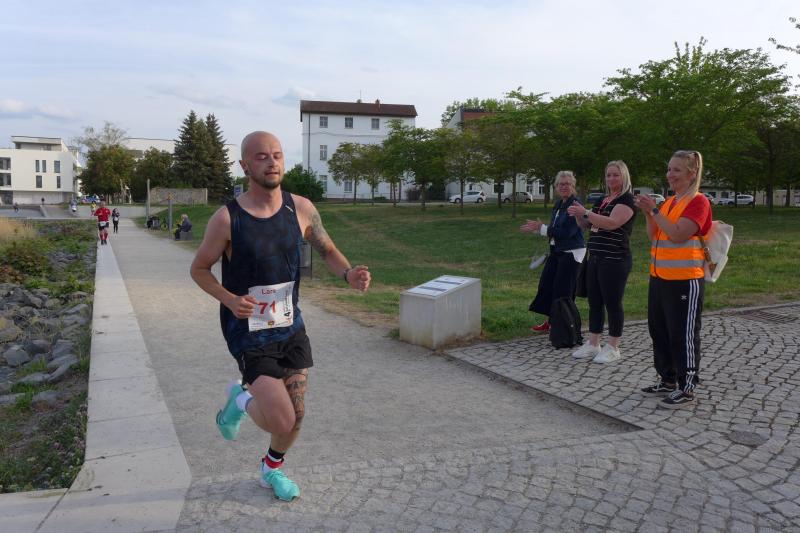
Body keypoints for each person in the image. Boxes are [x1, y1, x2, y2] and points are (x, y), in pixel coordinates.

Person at [190, 131, 371, 501]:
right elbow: (199, 269)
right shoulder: (227, 219)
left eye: (277, 155)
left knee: (297, 415)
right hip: (248, 331)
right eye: (261, 156)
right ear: (245, 166)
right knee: (282, 419)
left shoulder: (301, 208)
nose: (271, 162)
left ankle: (270, 470)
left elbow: (328, 250)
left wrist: (348, 274)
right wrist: (229, 299)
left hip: (290, 325)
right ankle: (240, 400)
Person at [634, 151, 712, 409]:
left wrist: (654, 210)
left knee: (683, 334)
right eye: (669, 169)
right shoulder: (669, 202)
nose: (670, 175)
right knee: (659, 330)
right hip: (660, 277)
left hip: (684, 279)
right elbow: (654, 235)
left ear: (692, 173)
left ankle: (686, 386)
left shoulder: (698, 202)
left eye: (677, 170)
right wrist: (649, 214)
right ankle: (667, 379)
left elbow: (678, 234)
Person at [567, 160, 637, 363]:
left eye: (616, 174)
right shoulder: (603, 200)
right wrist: (578, 215)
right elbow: (589, 224)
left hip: (615, 258)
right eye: (608, 175)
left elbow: (612, 223)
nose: (611, 178)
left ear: (624, 176)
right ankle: (593, 343)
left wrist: (586, 212)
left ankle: (613, 346)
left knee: (613, 302)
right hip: (596, 256)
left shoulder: (627, 200)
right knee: (595, 301)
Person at [520, 171, 585, 333]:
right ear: (556, 187)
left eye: (567, 184)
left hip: (571, 252)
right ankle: (551, 321)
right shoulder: (558, 204)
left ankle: (565, 326)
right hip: (557, 251)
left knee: (563, 290)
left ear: (573, 186)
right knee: (547, 285)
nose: (564, 187)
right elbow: (554, 230)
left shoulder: (575, 205)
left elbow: (567, 232)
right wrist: (538, 229)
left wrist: (542, 228)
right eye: (560, 184)